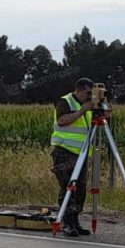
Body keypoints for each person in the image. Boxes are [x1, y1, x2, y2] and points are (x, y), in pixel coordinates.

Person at [50, 78, 99, 237]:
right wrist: (81, 111)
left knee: (81, 188)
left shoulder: (89, 106)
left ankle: (75, 221)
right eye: (88, 93)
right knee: (68, 187)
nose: (90, 96)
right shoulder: (66, 102)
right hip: (64, 151)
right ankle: (67, 223)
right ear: (79, 90)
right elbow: (62, 121)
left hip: (81, 153)